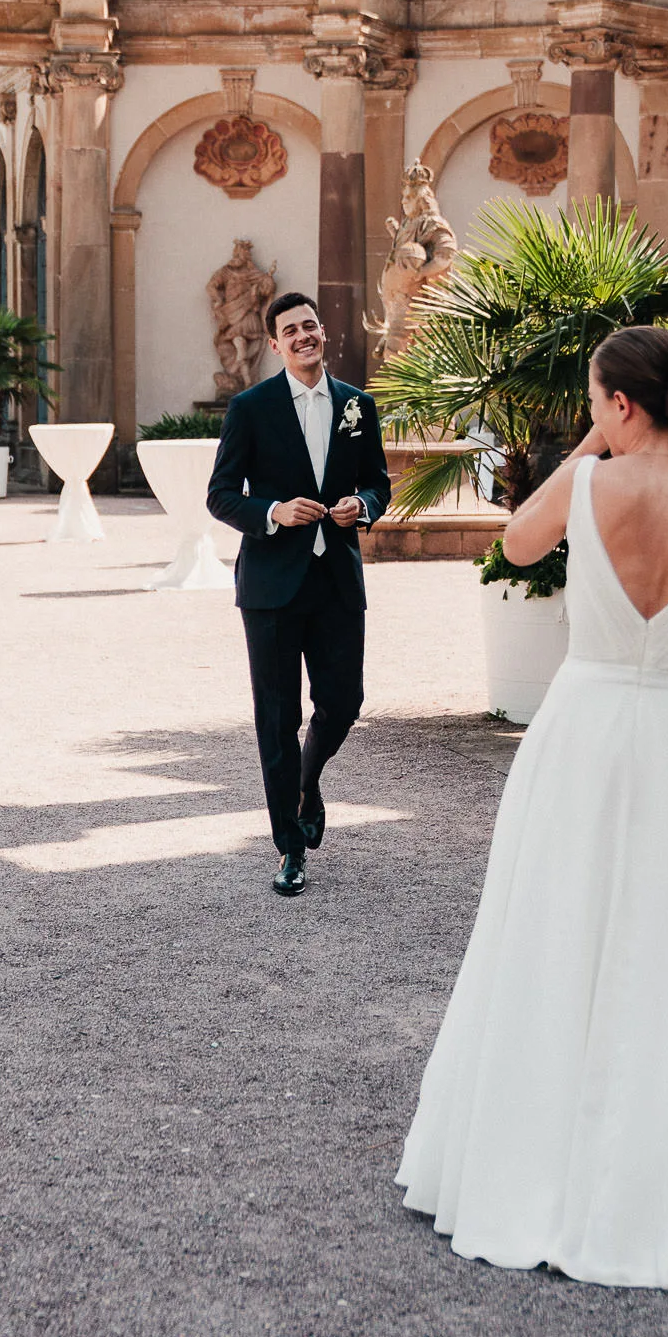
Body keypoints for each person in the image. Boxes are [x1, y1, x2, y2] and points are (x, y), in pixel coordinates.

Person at [395, 324, 668, 1290]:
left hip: (580, 739)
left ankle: (527, 1169)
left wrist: (588, 451)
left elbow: (516, 544)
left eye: (593, 403)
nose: (589, 419)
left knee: (550, 940)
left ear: (621, 404)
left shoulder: (585, 483)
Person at [205, 293, 393, 899]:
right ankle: (289, 846)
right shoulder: (250, 408)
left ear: (323, 332)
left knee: (343, 703)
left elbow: (379, 483)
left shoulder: (358, 405)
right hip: (271, 588)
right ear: (276, 343)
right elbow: (220, 495)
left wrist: (362, 504)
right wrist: (273, 512)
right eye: (291, 330)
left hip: (336, 580)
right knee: (277, 718)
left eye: (310, 325)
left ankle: (308, 784)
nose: (303, 335)